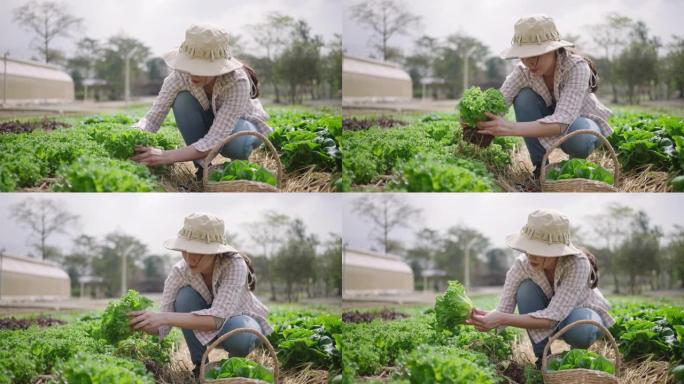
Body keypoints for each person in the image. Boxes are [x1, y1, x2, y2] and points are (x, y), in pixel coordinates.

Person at [128, 212, 271, 377]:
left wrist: (164, 317)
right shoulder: (179, 272)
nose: (190, 259)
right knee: (185, 297)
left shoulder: (234, 264)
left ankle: (234, 368)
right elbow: (163, 328)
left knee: (242, 336)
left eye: (198, 252)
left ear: (215, 252)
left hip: (237, 323)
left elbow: (217, 319)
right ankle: (200, 366)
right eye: (185, 251)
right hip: (203, 329)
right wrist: (141, 322)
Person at [467, 209, 614, 369]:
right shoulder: (521, 265)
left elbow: (552, 317)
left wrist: (501, 318)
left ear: (557, 252)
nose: (531, 256)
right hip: (547, 316)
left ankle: (577, 360)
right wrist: (482, 318)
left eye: (539, 250)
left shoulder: (576, 263)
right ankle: (543, 358)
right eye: (529, 248)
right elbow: (504, 309)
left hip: (579, 313)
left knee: (582, 330)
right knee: (526, 290)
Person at [474, 15, 613, 179]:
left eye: (535, 55)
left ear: (553, 50)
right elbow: (500, 101)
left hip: (578, 121)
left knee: (580, 137)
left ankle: (575, 167)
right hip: (547, 122)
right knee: (524, 97)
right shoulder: (522, 71)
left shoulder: (576, 67)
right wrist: (477, 119)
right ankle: (540, 166)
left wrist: (510, 128)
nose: (529, 62)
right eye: (523, 56)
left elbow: (562, 120)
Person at [130, 23, 271, 178]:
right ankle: (203, 169)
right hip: (211, 123)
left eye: (201, 69)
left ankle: (239, 169)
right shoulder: (179, 77)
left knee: (237, 144)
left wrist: (166, 156)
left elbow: (216, 138)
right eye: (191, 66)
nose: (193, 73)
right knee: (182, 101)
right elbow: (152, 119)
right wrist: (135, 133)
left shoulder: (236, 81)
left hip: (241, 125)